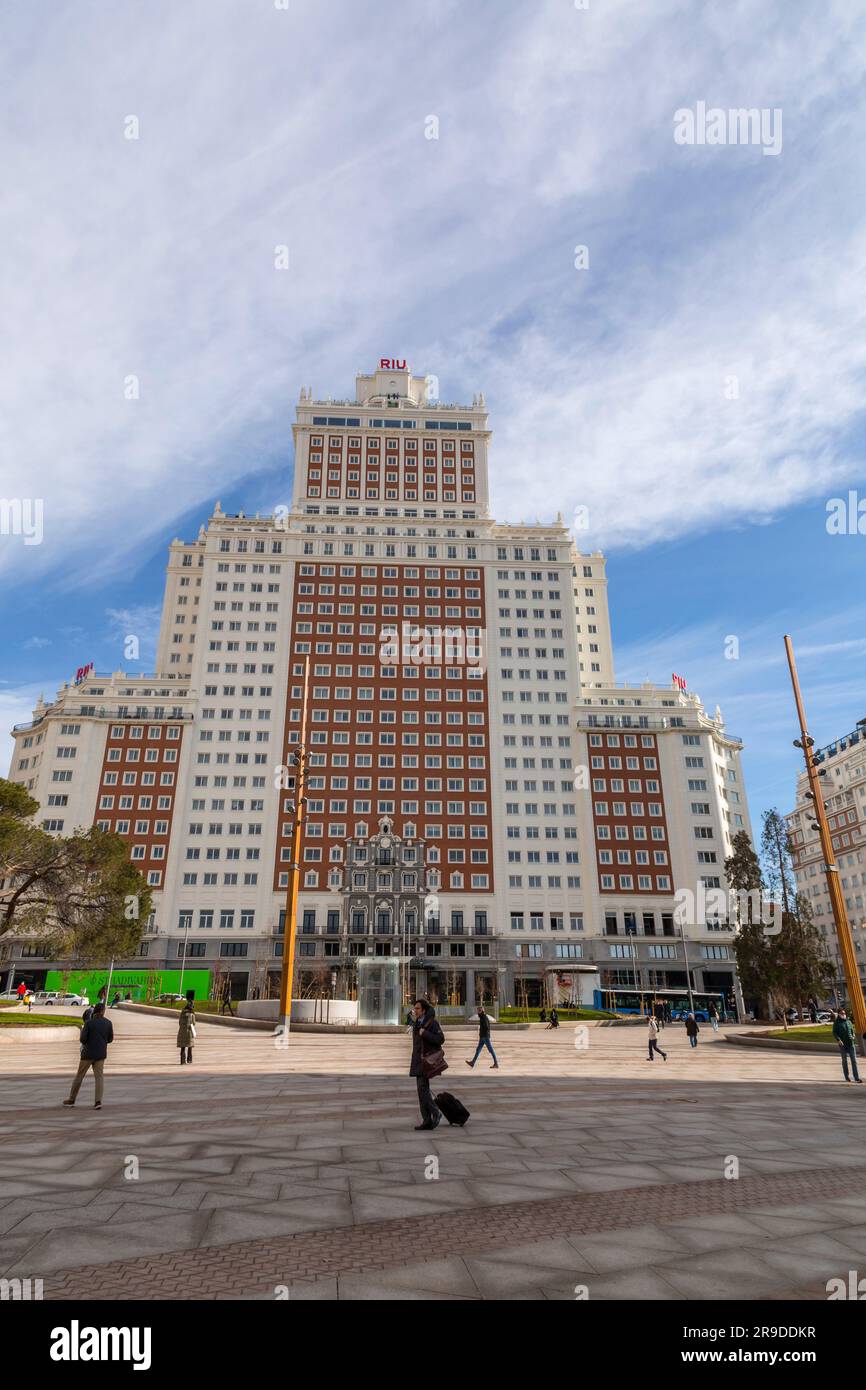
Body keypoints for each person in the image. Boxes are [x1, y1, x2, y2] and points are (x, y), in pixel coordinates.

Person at [62, 1002, 114, 1109]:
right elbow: (110, 1039)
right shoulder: (108, 1023)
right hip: (100, 1054)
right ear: (103, 1011)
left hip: (87, 1054)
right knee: (99, 1077)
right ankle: (98, 1101)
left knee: (79, 1076)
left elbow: (83, 1039)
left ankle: (72, 1099)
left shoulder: (89, 1023)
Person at [409, 998, 444, 1130]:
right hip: (418, 1061)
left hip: (426, 1061)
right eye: (415, 1008)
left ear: (424, 1010)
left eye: (417, 1008)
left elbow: (441, 1039)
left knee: (423, 1090)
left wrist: (426, 1034)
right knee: (421, 1091)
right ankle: (427, 1120)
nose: (415, 1011)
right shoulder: (417, 1023)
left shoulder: (432, 1023)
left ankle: (435, 1113)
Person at [832, 1008, 862, 1083]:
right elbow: (834, 1032)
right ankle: (847, 1077)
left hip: (851, 1044)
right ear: (839, 1014)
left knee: (854, 1061)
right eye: (842, 1013)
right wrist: (839, 1040)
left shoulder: (849, 1021)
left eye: (844, 1013)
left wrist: (853, 1035)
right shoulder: (837, 1022)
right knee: (844, 1061)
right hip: (843, 1045)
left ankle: (856, 1078)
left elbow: (852, 1031)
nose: (843, 1014)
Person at [466, 1003, 499, 1069]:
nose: (477, 1012)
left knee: (491, 1050)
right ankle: (472, 1063)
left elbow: (486, 1027)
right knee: (478, 1050)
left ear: (481, 1011)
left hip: (485, 1037)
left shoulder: (484, 1017)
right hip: (482, 1037)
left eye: (478, 1011)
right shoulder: (482, 1017)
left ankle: (496, 1063)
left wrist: (482, 1031)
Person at [177, 991, 196, 1065]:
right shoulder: (192, 1014)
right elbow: (194, 1023)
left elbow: (179, 1022)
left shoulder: (182, 1013)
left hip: (181, 1032)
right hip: (189, 1032)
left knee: (183, 1047)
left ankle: (182, 1061)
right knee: (190, 1045)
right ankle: (189, 1059)